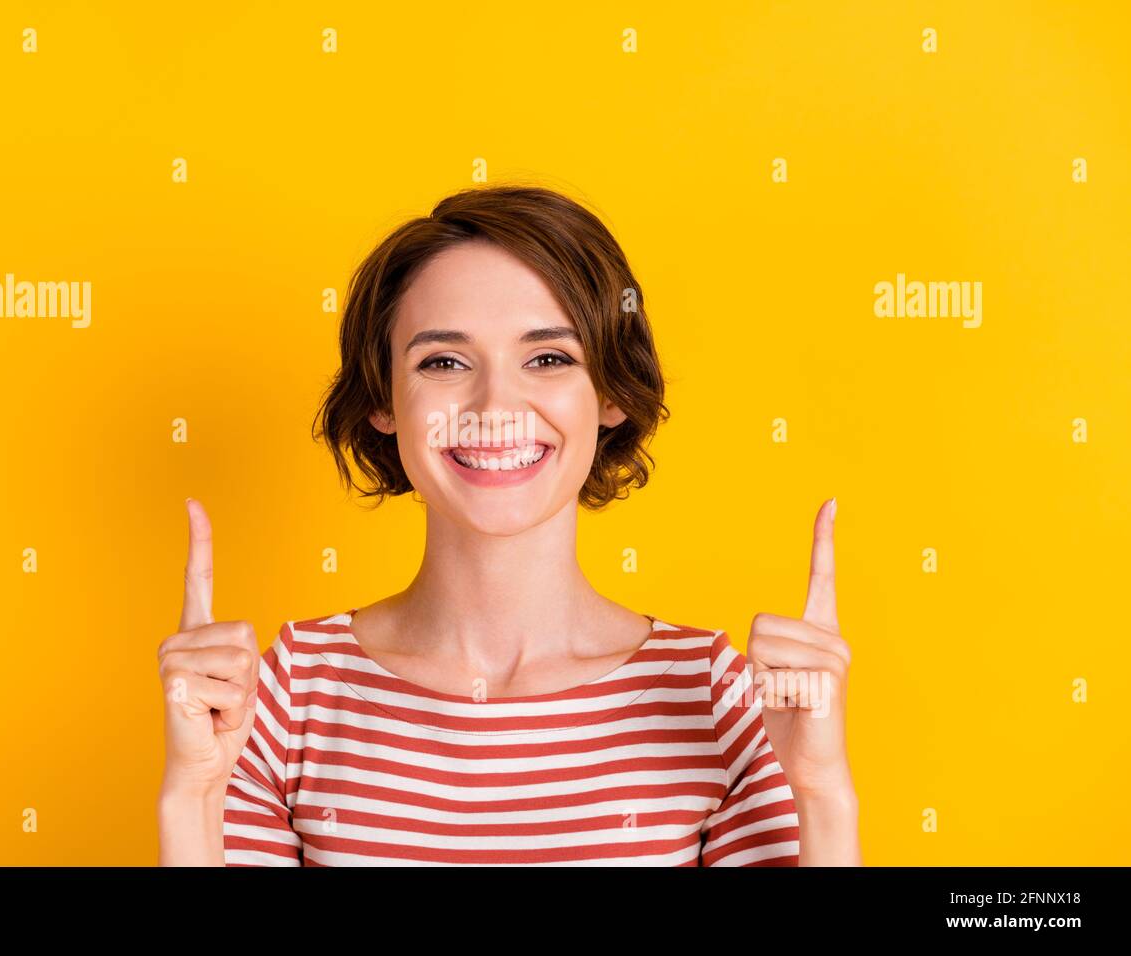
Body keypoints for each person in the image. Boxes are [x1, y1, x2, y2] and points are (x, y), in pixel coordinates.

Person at [156, 185, 860, 866]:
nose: (497, 405)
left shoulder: (711, 694)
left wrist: (822, 793)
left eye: (548, 357)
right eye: (444, 361)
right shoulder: (287, 693)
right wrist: (192, 802)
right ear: (383, 401)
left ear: (611, 392)